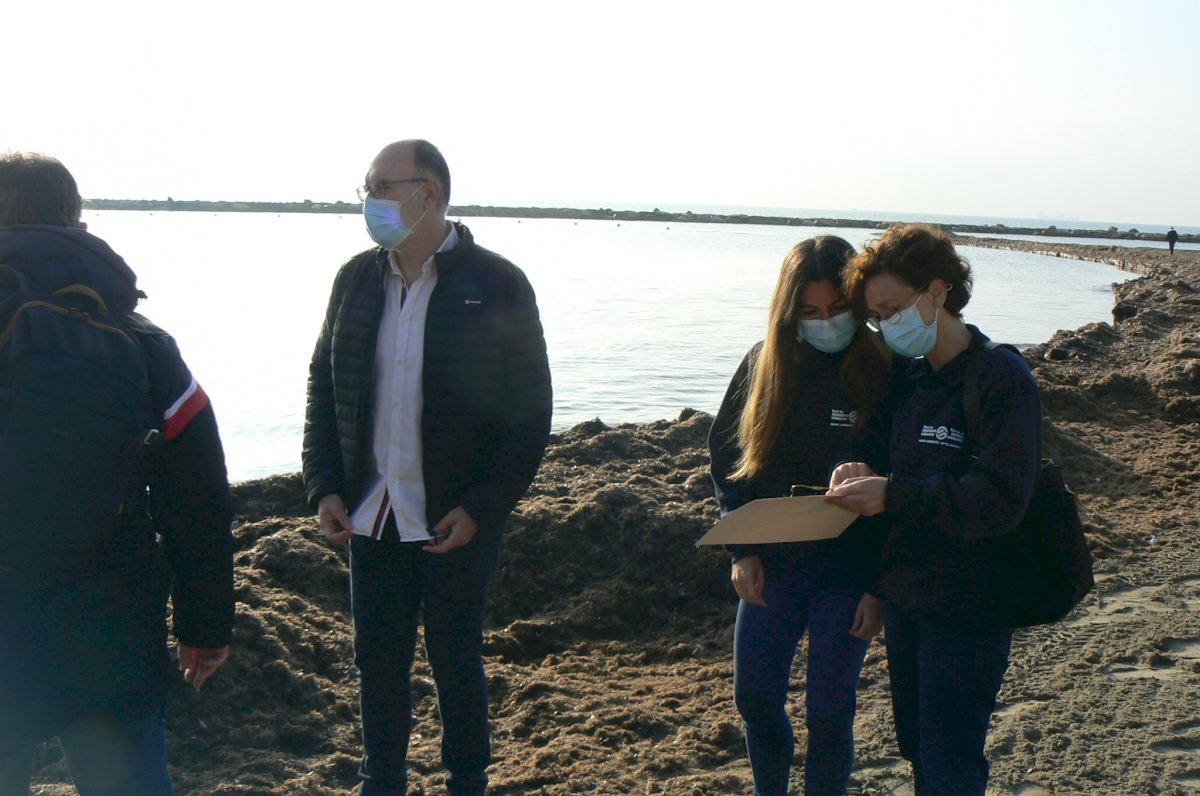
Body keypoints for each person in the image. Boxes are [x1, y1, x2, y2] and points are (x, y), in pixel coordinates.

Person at [303, 139, 552, 796]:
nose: (370, 201)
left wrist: (481, 508)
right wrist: (324, 486)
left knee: (455, 660)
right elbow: (324, 384)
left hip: (453, 517)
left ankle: (467, 780)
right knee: (377, 663)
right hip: (372, 513)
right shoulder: (356, 279)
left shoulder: (497, 283)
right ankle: (380, 780)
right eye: (366, 188)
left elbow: (530, 414)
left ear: (429, 193)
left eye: (381, 187)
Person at [0, 153, 234, 795]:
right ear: (78, 222)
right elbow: (199, 498)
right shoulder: (142, 340)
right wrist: (205, 624)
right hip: (110, 631)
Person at [825, 224, 1042, 795]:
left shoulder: (1002, 377)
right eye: (877, 317)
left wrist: (893, 494)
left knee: (951, 757)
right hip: (908, 595)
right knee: (919, 747)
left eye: (893, 308)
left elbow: (1000, 500)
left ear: (938, 292)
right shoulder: (910, 378)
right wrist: (854, 466)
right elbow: (874, 449)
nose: (887, 325)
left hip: (972, 601)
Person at [708, 236, 891, 796]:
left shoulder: (886, 368)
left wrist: (879, 585)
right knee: (755, 698)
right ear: (788, 312)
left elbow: (904, 482)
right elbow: (729, 459)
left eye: (837, 308)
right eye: (810, 312)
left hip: (850, 568)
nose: (826, 322)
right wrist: (742, 550)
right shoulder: (763, 364)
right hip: (775, 561)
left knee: (829, 712)